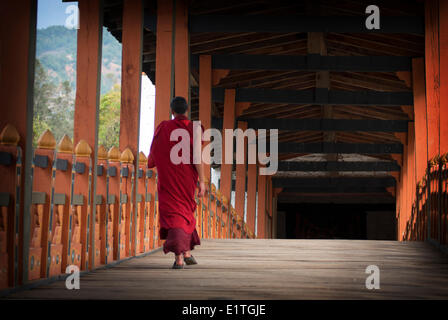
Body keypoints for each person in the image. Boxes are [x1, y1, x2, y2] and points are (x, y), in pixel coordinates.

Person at [147, 96, 206, 269]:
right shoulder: (194, 128)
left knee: (174, 215)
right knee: (185, 213)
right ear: (187, 110)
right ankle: (184, 253)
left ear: (172, 111)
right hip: (187, 178)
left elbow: (154, 154)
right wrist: (202, 181)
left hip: (168, 179)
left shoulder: (163, 127)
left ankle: (180, 256)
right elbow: (197, 156)